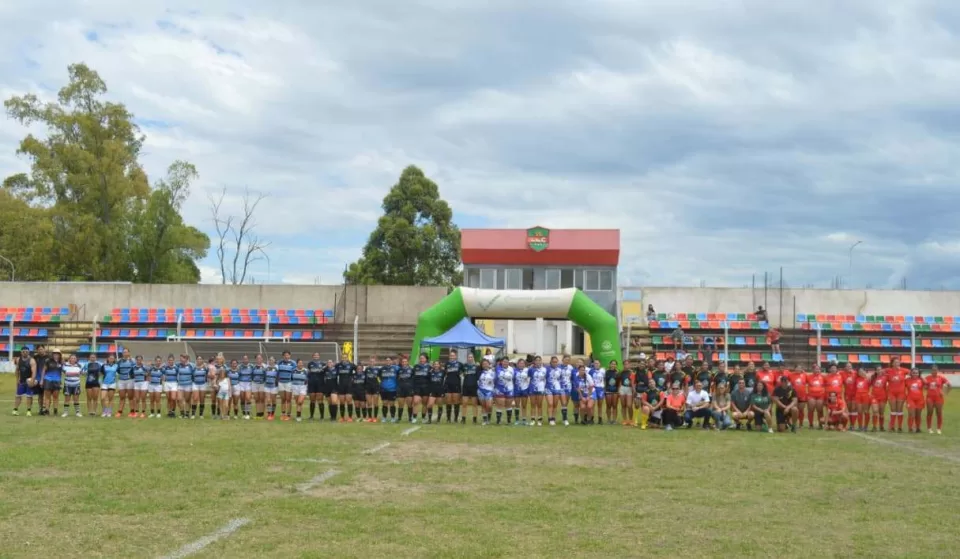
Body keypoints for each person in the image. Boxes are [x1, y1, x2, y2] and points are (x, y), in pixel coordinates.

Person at [924, 365, 951, 435]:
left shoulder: (941, 378)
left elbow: (949, 385)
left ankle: (938, 429)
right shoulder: (927, 378)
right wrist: (926, 387)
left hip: (939, 397)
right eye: (933, 370)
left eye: (935, 370)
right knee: (929, 412)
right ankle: (929, 428)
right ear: (931, 371)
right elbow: (924, 386)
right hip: (930, 397)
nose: (934, 371)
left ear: (937, 370)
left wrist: (945, 393)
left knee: (939, 413)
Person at [885, 358, 907, 432]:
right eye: (895, 362)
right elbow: (879, 371)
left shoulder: (904, 370)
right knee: (893, 410)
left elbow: (914, 373)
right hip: (891, 393)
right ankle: (892, 426)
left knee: (899, 410)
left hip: (901, 393)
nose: (897, 363)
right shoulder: (888, 370)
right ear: (892, 363)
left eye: (898, 362)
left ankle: (900, 427)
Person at [13, 347, 36, 416]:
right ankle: (15, 410)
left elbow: (34, 372)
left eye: (26, 351)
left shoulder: (32, 360)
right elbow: (17, 371)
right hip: (21, 381)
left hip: (29, 381)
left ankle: (28, 411)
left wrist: (32, 380)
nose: (25, 353)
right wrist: (17, 380)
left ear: (28, 352)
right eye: (23, 351)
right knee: (18, 396)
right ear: (21, 352)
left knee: (29, 396)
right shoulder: (18, 360)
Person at [42, 348, 64, 417]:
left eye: (57, 354)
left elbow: (61, 372)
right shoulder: (48, 361)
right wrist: (42, 380)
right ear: (52, 354)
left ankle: (55, 410)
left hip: (57, 381)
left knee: (56, 397)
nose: (56, 355)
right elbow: (44, 370)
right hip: (48, 380)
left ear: (60, 355)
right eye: (55, 354)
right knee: (47, 397)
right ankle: (47, 410)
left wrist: (60, 381)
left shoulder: (61, 362)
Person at [335, 356, 358, 423]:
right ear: (341, 358)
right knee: (342, 402)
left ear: (347, 358)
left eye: (345, 357)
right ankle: (342, 417)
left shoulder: (351, 365)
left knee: (349, 401)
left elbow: (358, 370)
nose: (344, 359)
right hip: (341, 385)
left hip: (349, 386)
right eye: (343, 357)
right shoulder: (338, 365)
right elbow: (332, 369)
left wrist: (353, 377)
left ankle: (350, 417)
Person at [493, 357, 515, 425]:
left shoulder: (511, 369)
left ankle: (509, 421)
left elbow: (513, 378)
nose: (505, 363)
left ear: (508, 362)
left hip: (509, 388)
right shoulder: (497, 368)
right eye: (504, 361)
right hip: (499, 388)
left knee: (509, 404)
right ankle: (498, 421)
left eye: (507, 361)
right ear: (501, 362)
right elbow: (494, 378)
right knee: (500, 404)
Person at [276, 351, 297, 422]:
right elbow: (277, 372)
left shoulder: (293, 363)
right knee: (283, 399)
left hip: (289, 383)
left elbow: (294, 372)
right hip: (281, 383)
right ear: (283, 356)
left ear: (290, 356)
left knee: (288, 399)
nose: (286, 356)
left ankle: (288, 415)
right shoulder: (279, 362)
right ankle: (283, 414)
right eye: (285, 355)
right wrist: (277, 380)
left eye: (287, 355)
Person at [460, 354, 479, 424]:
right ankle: (463, 419)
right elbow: (460, 371)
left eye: (471, 357)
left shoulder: (477, 366)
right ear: (467, 358)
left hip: (474, 386)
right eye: (469, 357)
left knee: (474, 404)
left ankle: (475, 419)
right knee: (464, 403)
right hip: (466, 386)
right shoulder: (464, 366)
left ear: (473, 358)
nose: (470, 358)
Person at [379, 356, 399, 423]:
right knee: (384, 403)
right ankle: (384, 417)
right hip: (383, 389)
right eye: (386, 360)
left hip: (392, 389)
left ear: (391, 361)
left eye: (389, 360)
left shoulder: (396, 368)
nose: (388, 361)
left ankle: (393, 417)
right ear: (385, 361)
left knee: (392, 404)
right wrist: (381, 384)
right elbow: (378, 377)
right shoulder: (381, 369)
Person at [529, 356, 547, 426]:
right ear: (534, 361)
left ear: (541, 361)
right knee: (533, 404)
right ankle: (533, 419)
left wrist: (544, 387)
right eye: (536, 360)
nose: (538, 361)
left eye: (539, 360)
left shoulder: (544, 369)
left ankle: (539, 420)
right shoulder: (531, 369)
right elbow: (528, 378)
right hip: (532, 388)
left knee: (539, 405)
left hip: (541, 389)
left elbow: (546, 379)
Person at [306, 353, 325, 421]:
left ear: (319, 356)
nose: (316, 356)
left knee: (320, 400)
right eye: (314, 355)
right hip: (312, 384)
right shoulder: (310, 364)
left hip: (320, 384)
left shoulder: (323, 364)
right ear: (312, 356)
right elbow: (308, 373)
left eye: (317, 355)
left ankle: (322, 417)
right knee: (312, 400)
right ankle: (311, 416)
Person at [175, 354, 194, 419]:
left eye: (182, 358)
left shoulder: (191, 365)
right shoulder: (178, 365)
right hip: (180, 385)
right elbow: (171, 366)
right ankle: (182, 413)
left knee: (187, 400)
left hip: (188, 385)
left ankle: (187, 414)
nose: (180, 359)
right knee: (179, 399)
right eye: (180, 358)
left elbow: (195, 372)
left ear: (186, 359)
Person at [477, 359, 496, 425]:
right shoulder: (479, 372)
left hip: (489, 391)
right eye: (483, 364)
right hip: (481, 390)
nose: (485, 365)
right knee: (483, 406)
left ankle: (489, 418)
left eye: (486, 363)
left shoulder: (493, 372)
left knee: (489, 406)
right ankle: (485, 420)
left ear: (489, 364)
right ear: (482, 365)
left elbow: (496, 381)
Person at [397, 356, 415, 423]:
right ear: (401, 363)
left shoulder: (412, 369)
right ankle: (399, 418)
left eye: (405, 362)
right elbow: (397, 378)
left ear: (407, 362)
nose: (404, 363)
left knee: (409, 404)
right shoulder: (399, 370)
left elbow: (414, 379)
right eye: (403, 362)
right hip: (401, 389)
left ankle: (410, 418)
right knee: (400, 404)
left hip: (409, 389)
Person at [869, 366, 888, 432]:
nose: (879, 371)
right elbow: (867, 384)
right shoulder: (873, 378)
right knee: (875, 411)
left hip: (883, 397)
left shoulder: (886, 377)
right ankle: (874, 427)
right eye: (878, 370)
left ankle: (881, 427)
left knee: (881, 413)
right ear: (876, 371)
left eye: (880, 369)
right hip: (874, 397)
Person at [84, 353, 103, 417]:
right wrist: (85, 373)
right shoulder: (86, 364)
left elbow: (102, 373)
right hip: (88, 382)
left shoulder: (99, 364)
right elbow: (82, 372)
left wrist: (99, 375)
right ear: (89, 358)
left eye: (94, 357)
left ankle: (94, 411)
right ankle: (89, 411)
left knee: (95, 397)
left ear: (96, 358)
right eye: (91, 357)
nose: (92, 358)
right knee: (89, 398)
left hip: (96, 382)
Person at [513, 358, 530, 426]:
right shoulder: (514, 370)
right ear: (517, 364)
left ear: (524, 364)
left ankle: (524, 420)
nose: (521, 365)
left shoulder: (527, 370)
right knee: (517, 405)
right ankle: (517, 420)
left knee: (524, 406)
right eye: (520, 363)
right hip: (517, 389)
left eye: (523, 363)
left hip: (525, 389)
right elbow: (512, 380)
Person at [364, 357, 381, 422]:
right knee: (369, 403)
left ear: (375, 362)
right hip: (368, 388)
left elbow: (380, 379)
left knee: (375, 403)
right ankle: (370, 417)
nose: (372, 362)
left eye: (373, 361)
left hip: (375, 388)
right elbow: (365, 378)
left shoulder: (378, 369)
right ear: (369, 362)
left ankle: (375, 418)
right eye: (371, 361)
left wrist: (378, 385)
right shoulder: (367, 369)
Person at [237, 355, 254, 420]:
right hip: (241, 383)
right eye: (244, 359)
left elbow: (254, 374)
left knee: (248, 398)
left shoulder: (251, 366)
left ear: (248, 359)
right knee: (242, 399)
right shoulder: (239, 366)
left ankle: (248, 414)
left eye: (246, 359)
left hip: (248, 383)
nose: (245, 360)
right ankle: (244, 414)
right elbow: (237, 374)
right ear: (243, 360)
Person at [251, 354, 267, 419]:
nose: (259, 359)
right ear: (256, 359)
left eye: (260, 358)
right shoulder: (253, 367)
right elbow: (252, 375)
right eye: (257, 358)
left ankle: (262, 413)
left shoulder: (265, 366)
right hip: (255, 384)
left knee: (262, 399)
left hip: (262, 384)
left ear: (262, 359)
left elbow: (266, 375)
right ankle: (258, 413)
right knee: (257, 399)